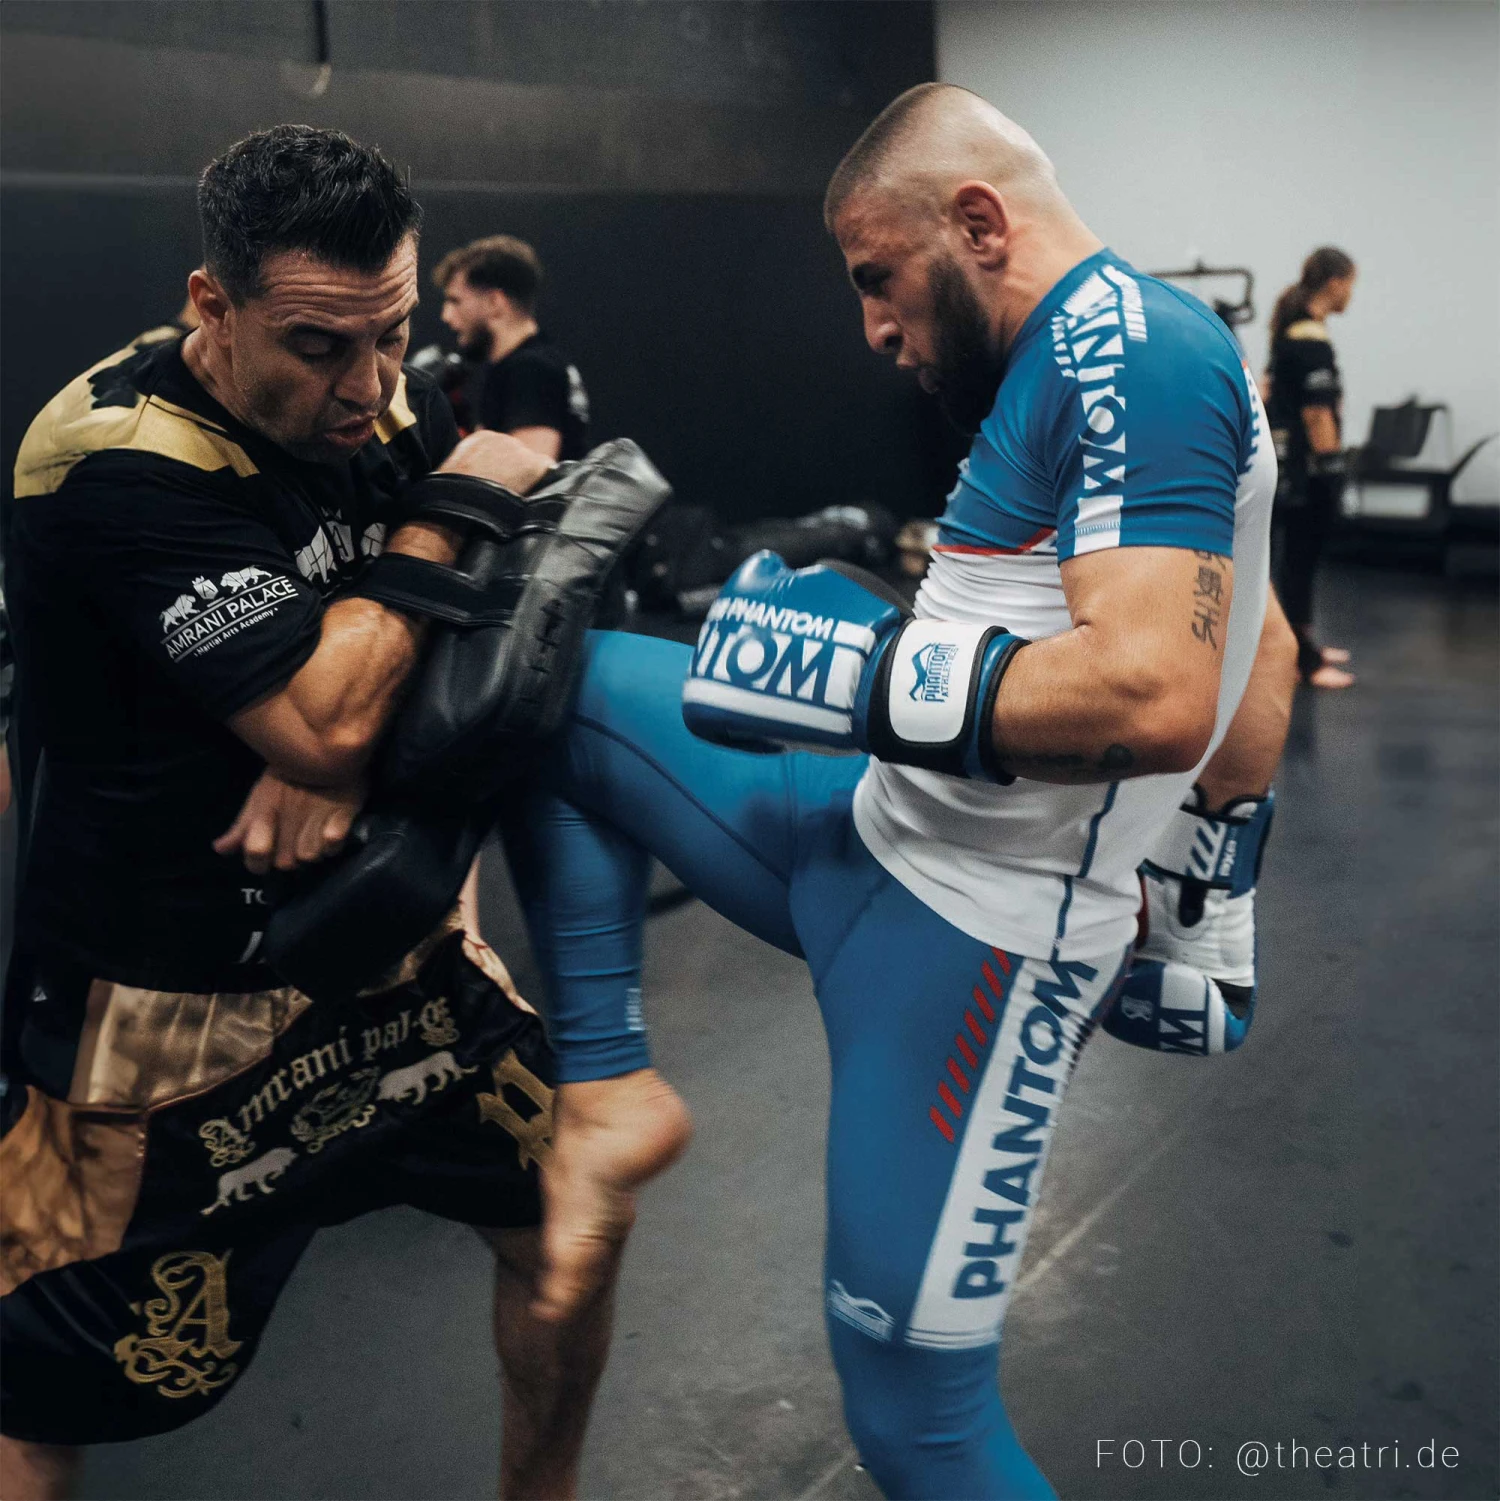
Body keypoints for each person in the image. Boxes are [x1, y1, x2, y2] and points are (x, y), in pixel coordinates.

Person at [476, 83, 1295, 1499]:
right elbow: (1261, 636)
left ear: (978, 222)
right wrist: (1211, 878)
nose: (871, 326)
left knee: (915, 1418)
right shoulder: (1066, 359)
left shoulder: (1139, 355)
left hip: (971, 944)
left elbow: (1155, 693)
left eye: (877, 277)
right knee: (554, 690)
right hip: (859, 824)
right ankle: (606, 1094)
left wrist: (853, 672)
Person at [0, 125, 637, 1501]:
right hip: (163, 1011)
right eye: (318, 347)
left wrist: (331, 742)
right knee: (36, 1389)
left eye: (392, 335)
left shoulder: (378, 396)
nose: (370, 388)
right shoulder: (113, 461)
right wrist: (441, 522)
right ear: (212, 306)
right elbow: (345, 701)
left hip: (396, 965)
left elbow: (510, 606)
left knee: (575, 1215)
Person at [1264, 246, 1357, 689]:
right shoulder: (1310, 341)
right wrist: (1332, 468)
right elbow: (1317, 413)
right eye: (1351, 284)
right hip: (1305, 470)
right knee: (1299, 562)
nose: (1351, 294)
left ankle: (1303, 647)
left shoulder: (1292, 331)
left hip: (1291, 467)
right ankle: (1304, 660)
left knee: (1296, 561)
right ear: (1335, 283)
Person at [434, 235, 590, 461]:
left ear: (494, 302)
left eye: (455, 301)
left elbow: (530, 466)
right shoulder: (529, 364)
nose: (446, 315)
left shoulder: (532, 369)